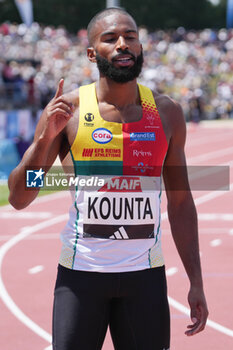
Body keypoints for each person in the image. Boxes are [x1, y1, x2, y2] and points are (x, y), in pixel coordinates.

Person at [8, 7, 208, 350]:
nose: (122, 44)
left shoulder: (166, 112)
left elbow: (180, 201)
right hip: (80, 278)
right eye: (110, 38)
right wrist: (43, 142)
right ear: (91, 53)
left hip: (144, 279)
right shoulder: (66, 111)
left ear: (141, 47)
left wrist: (196, 281)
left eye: (130, 37)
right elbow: (20, 197)